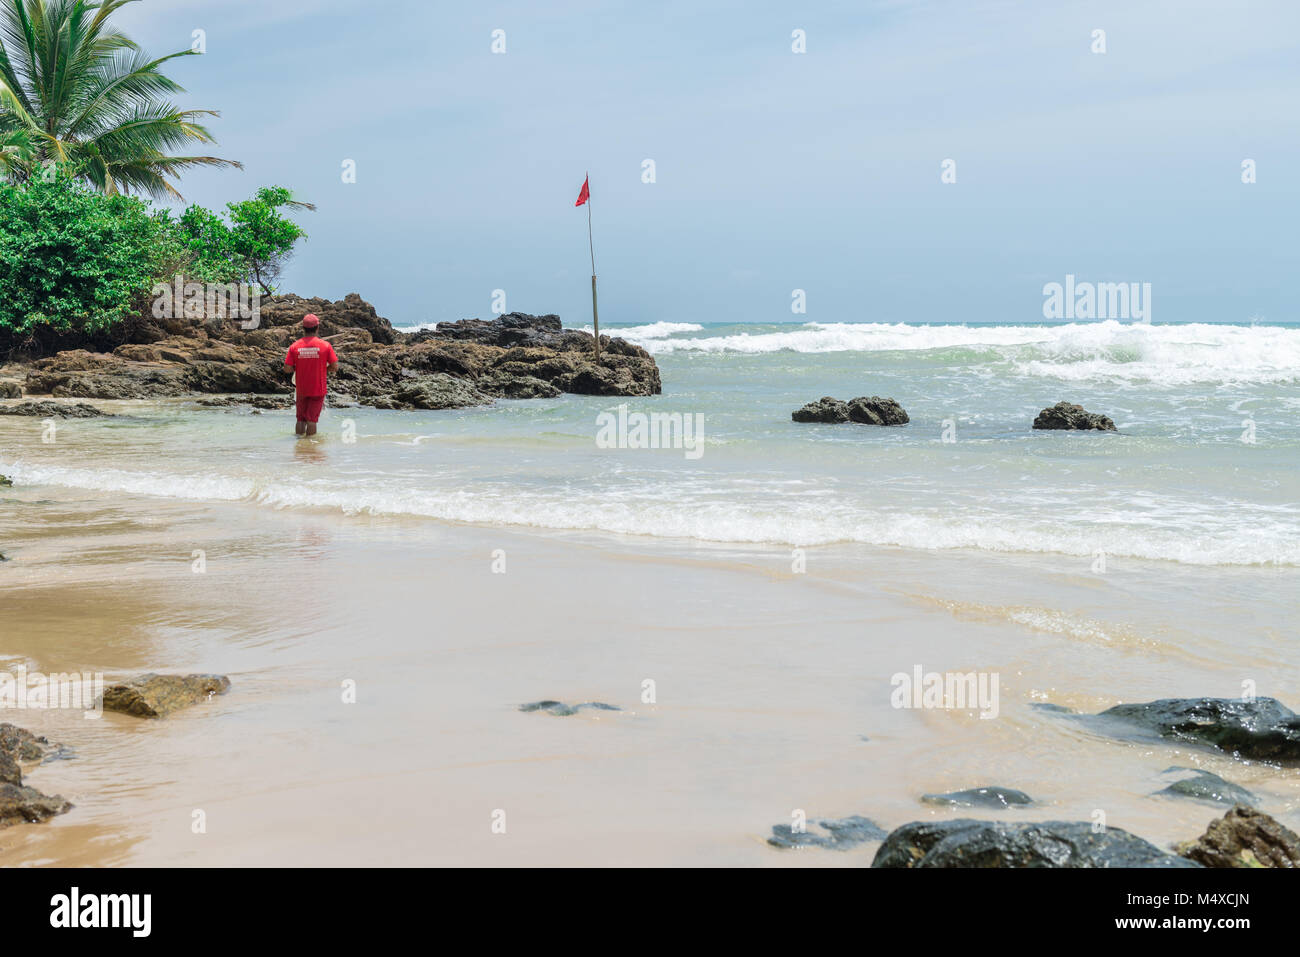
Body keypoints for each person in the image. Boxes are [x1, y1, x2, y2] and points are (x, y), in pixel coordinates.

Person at [284, 314, 338, 436]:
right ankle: (310, 448)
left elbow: (287, 369)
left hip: (301, 389)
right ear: (317, 328)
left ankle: (299, 446)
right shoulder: (325, 346)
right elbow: (335, 367)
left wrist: (299, 367)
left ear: (303, 328)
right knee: (312, 421)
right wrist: (323, 369)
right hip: (318, 389)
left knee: (300, 419)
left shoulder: (295, 346)